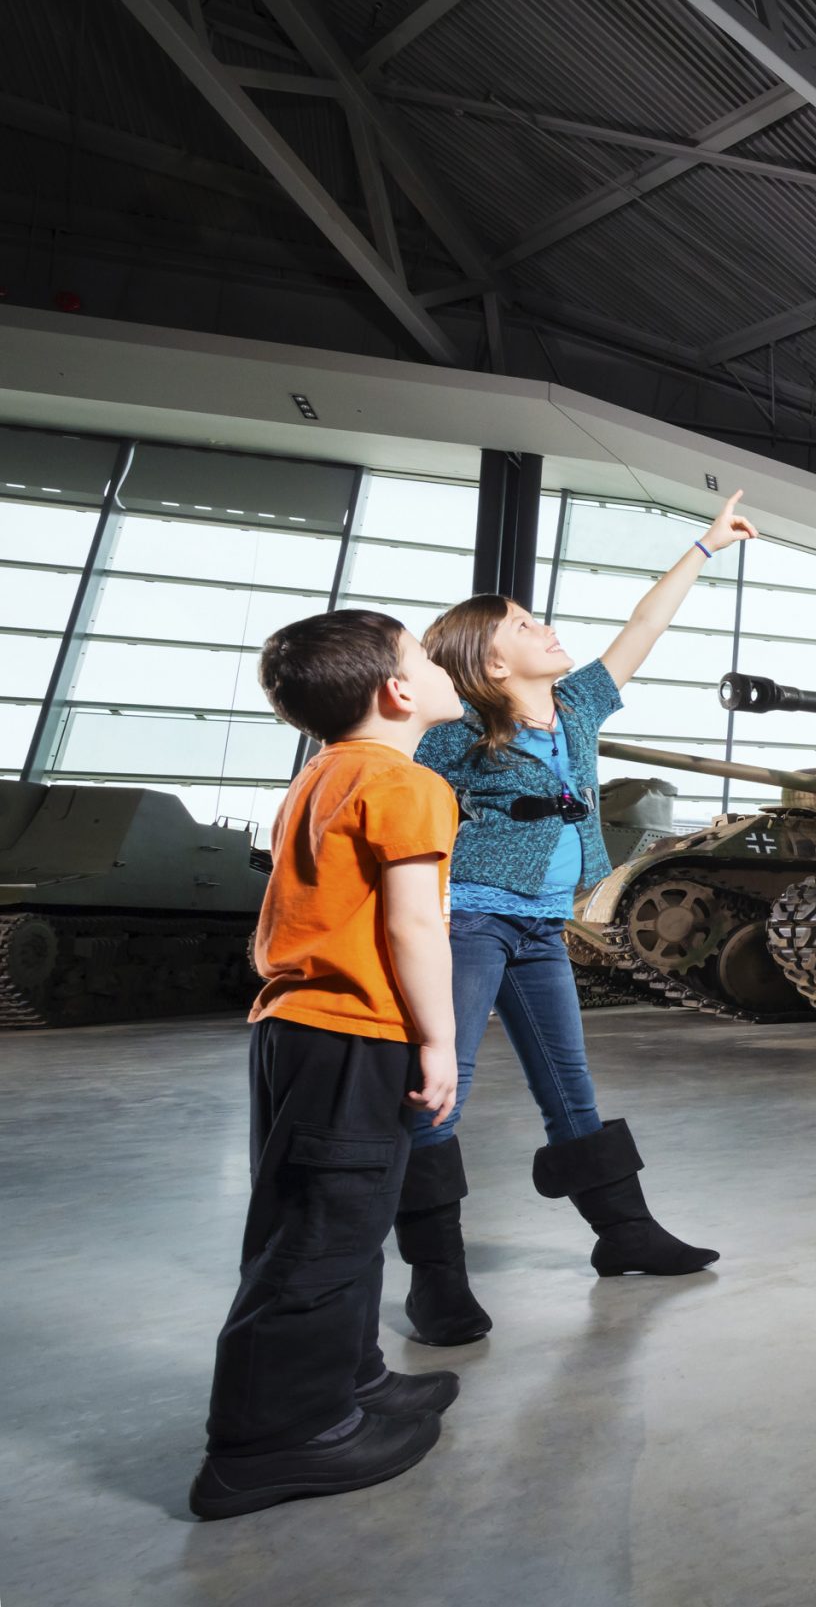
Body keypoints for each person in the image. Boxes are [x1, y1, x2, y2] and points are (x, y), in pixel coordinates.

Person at [393, 491, 757, 1345]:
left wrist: (704, 548)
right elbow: (389, 766)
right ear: (487, 665)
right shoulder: (456, 734)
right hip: (474, 921)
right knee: (443, 1092)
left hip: (541, 928)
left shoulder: (581, 706)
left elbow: (643, 626)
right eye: (521, 624)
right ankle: (435, 1279)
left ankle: (624, 1234)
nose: (543, 626)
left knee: (570, 1089)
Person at [192, 610, 467, 1520]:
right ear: (397, 692)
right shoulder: (405, 782)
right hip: (356, 1029)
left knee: (333, 1214)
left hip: (294, 1029)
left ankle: (351, 1380)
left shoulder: (322, 772)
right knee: (324, 1229)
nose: (438, 665)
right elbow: (413, 923)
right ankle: (274, 1441)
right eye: (425, 657)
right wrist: (439, 1037)